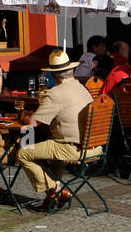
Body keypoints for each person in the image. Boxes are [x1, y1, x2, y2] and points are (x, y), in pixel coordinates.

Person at [17, 51, 102, 207]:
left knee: (23, 153)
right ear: (71, 71)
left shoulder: (55, 93)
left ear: (54, 75)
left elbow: (34, 123)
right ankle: (53, 196)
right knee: (53, 146)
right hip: (94, 146)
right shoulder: (82, 88)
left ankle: (56, 188)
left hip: (72, 148)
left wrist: (25, 117)